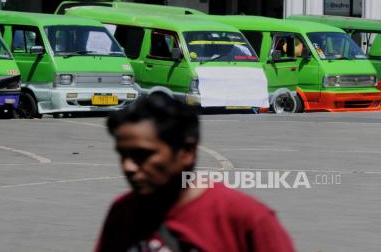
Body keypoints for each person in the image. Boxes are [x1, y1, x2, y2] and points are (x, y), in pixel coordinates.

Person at [96, 92, 295, 252]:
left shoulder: (246, 219)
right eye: (123, 155)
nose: (128, 166)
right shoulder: (122, 212)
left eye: (142, 155)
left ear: (187, 152)